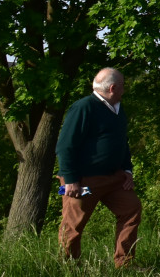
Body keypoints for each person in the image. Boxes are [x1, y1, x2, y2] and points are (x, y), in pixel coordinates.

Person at [54, 68, 144, 270]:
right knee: (74, 225)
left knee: (131, 209)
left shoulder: (118, 108)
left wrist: (127, 170)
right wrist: (70, 179)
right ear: (113, 88)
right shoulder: (84, 107)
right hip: (84, 179)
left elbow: (122, 142)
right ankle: (69, 268)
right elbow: (65, 145)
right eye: (122, 85)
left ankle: (125, 263)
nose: (124, 88)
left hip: (114, 178)